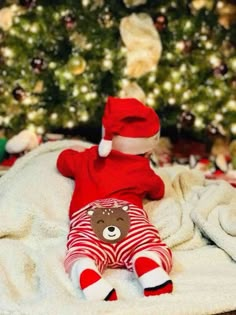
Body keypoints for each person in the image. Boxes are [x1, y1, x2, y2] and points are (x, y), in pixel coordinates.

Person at [56, 96, 173, 301]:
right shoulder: (142, 169)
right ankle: (145, 261)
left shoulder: (85, 157)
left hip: (89, 215)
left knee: (82, 249)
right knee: (145, 243)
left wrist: (75, 154)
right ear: (147, 148)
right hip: (128, 214)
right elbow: (158, 191)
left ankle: (85, 267)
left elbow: (63, 162)